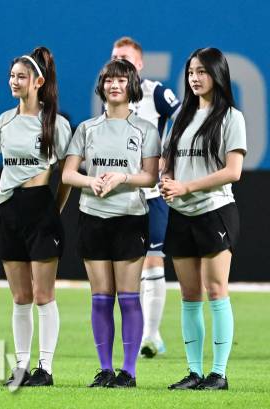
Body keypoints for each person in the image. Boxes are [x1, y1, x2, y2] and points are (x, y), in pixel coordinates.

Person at [62, 59, 159, 388]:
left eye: (121, 80)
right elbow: (68, 174)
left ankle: (128, 371)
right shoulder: (86, 128)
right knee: (101, 296)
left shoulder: (145, 129)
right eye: (108, 80)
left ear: (132, 86)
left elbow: (150, 176)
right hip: (93, 216)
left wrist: (122, 178)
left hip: (130, 218)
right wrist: (91, 182)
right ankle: (105, 369)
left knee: (128, 296)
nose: (114, 85)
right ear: (101, 86)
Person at [161, 47, 245, 391]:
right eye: (191, 72)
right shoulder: (181, 115)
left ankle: (218, 373)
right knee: (189, 295)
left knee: (216, 290)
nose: (195, 78)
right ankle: (194, 372)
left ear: (217, 74)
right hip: (181, 214)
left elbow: (233, 171)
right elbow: (168, 160)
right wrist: (166, 180)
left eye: (202, 72)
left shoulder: (231, 117)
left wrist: (186, 186)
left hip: (215, 211)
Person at [0, 47, 72, 388]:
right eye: (12, 76)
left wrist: (54, 208)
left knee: (43, 294)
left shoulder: (56, 123)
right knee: (20, 296)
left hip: (40, 207)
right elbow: (7, 165)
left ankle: (45, 368)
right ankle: (21, 365)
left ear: (38, 82)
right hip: (9, 208)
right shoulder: (4, 121)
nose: (14, 81)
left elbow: (67, 174)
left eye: (21, 77)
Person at [110, 36, 181, 358]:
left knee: (153, 259)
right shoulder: (110, 97)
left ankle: (151, 336)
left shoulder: (156, 92)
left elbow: (185, 118)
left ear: (139, 64)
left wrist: (169, 155)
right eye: (115, 57)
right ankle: (136, 333)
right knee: (128, 265)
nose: (119, 63)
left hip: (151, 193)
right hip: (121, 194)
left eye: (125, 58)